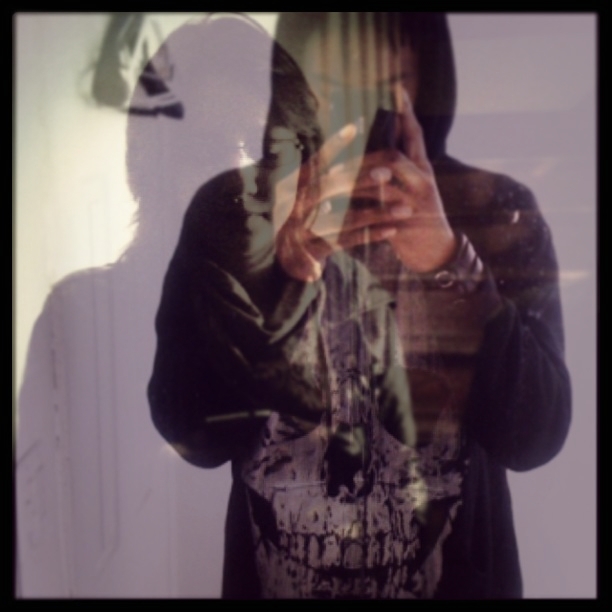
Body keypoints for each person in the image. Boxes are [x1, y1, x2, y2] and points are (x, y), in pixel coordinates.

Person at [144, 13, 571, 599]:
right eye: (333, 82)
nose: (357, 111)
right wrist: (279, 280)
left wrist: (449, 261)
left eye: (386, 83)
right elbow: (192, 436)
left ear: (425, 80)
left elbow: (536, 437)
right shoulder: (232, 209)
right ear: (294, 79)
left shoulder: (494, 209)